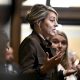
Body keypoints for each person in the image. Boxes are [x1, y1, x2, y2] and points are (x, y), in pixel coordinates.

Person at [19, 4, 65, 80]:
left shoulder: (48, 45)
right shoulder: (30, 42)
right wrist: (43, 69)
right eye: (52, 20)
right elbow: (23, 76)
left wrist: (63, 74)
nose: (56, 24)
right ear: (38, 22)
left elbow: (49, 76)